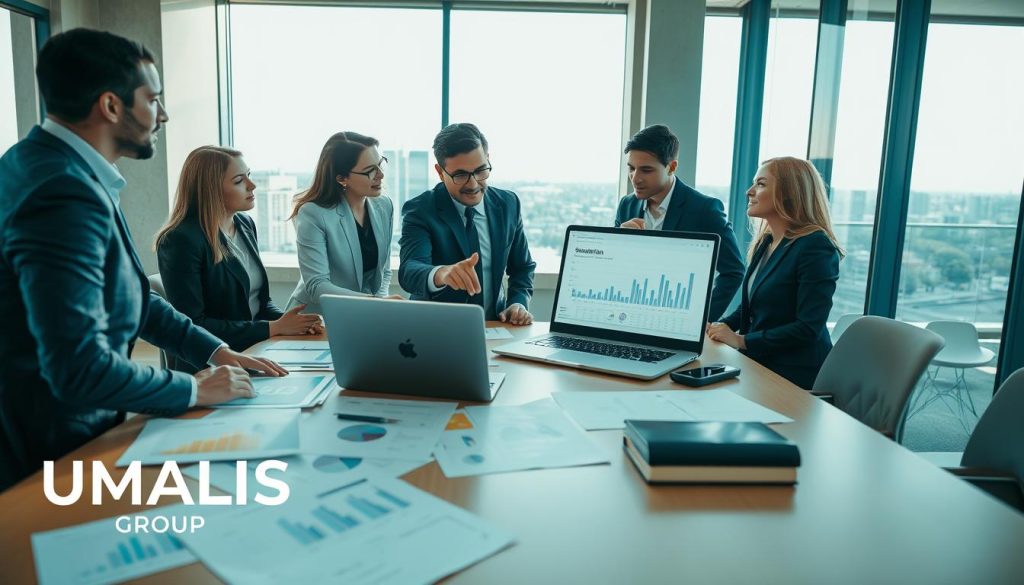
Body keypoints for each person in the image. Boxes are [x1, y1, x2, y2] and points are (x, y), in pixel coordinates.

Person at [0, 29, 284, 491]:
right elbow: (79, 368)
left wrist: (215, 350)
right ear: (111, 106)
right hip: (46, 444)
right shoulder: (62, 191)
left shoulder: (40, 164)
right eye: (152, 99)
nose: (163, 114)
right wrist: (194, 388)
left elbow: (133, 295)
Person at [155, 146, 323, 373]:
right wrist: (272, 328)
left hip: (255, 349)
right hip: (212, 365)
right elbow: (194, 324)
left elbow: (259, 303)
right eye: (238, 181)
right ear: (211, 190)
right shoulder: (180, 240)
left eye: (249, 175)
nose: (252, 185)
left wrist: (293, 322)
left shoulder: (244, 224)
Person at [707, 157, 843, 389]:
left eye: (760, 184)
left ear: (789, 193)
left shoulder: (815, 246)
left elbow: (808, 327)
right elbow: (752, 307)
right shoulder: (767, 242)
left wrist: (741, 340)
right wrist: (716, 327)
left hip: (794, 373)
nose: (749, 191)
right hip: (760, 362)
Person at [399, 123, 536, 324]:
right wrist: (441, 274)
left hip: (495, 327)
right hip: (435, 329)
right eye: (461, 175)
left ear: (488, 159)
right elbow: (409, 271)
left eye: (480, 171)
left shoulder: (508, 204)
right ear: (440, 172)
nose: (473, 184)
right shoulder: (421, 210)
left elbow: (522, 267)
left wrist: (518, 303)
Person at [614, 124, 744, 321]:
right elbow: (617, 269)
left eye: (646, 170)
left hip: (678, 319)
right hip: (631, 316)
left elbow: (733, 271)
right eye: (631, 168)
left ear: (672, 167)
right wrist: (619, 243)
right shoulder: (627, 205)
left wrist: (699, 321)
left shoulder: (705, 209)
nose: (635, 178)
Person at [287, 132, 401, 314]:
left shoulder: (384, 205)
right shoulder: (313, 213)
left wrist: (380, 309)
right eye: (370, 170)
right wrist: (376, 303)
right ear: (341, 178)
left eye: (380, 164)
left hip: (362, 313)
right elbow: (317, 285)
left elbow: (384, 272)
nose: (380, 175)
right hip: (315, 316)